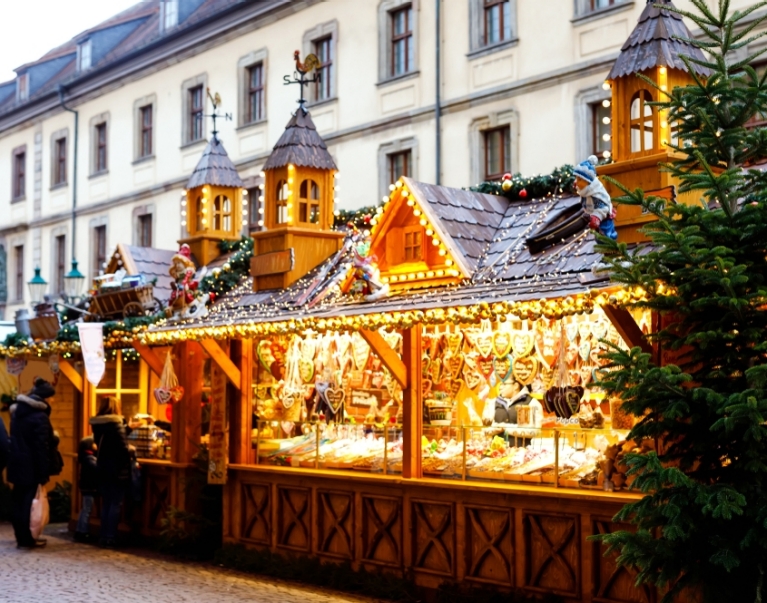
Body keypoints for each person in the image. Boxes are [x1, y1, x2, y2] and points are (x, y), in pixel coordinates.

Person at [6, 378, 56, 549]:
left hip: (17, 463)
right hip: (31, 466)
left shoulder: (18, 412)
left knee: (18, 502)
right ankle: (28, 539)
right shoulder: (40, 416)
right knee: (29, 504)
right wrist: (43, 473)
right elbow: (41, 446)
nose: (53, 400)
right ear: (44, 398)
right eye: (51, 397)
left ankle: (21, 537)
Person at [90, 396, 131, 547]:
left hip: (103, 468)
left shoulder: (99, 425)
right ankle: (111, 537)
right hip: (117, 469)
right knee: (115, 503)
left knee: (107, 503)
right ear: (116, 407)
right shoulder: (116, 425)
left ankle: (103, 535)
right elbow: (122, 449)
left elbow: (108, 442)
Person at [74, 436, 98, 542]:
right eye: (94, 443)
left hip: (85, 486)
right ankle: (84, 532)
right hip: (89, 486)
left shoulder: (85, 456)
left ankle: (79, 531)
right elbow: (97, 469)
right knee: (87, 510)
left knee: (84, 509)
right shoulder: (90, 458)